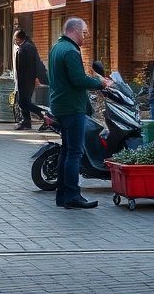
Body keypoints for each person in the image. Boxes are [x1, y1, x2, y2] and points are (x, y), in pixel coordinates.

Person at [48, 17, 112, 209]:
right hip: (72, 107)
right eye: (84, 34)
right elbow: (78, 79)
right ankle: (73, 196)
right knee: (74, 152)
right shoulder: (70, 51)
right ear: (75, 31)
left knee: (66, 151)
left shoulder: (56, 48)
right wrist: (101, 83)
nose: (85, 38)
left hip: (60, 105)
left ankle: (63, 195)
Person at [13, 29, 46, 130]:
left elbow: (32, 64)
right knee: (23, 100)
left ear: (19, 38)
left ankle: (41, 113)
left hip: (26, 80)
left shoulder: (26, 48)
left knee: (23, 101)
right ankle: (27, 121)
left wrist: (36, 77)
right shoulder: (27, 46)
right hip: (26, 79)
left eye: (16, 38)